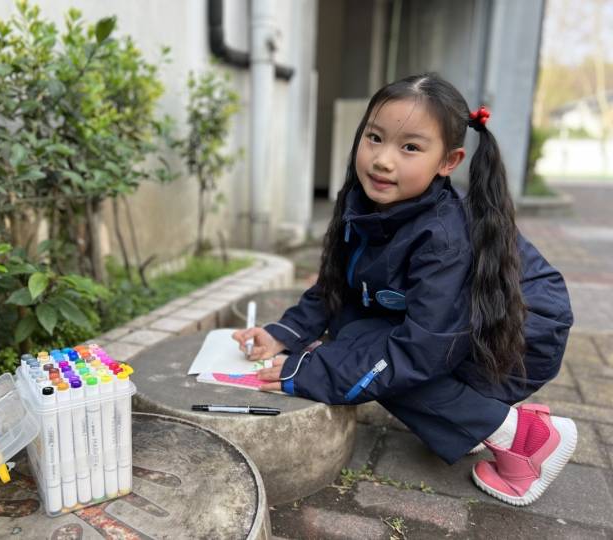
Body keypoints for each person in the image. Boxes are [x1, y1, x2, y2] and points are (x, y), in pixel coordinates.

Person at [232, 72, 576, 507]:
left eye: (410, 147)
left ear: (448, 162)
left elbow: (422, 350)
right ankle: (476, 417)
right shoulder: (371, 203)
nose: (382, 160)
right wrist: (285, 333)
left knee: (377, 355)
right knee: (356, 334)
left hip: (522, 333)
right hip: (464, 322)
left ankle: (527, 438)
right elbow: (337, 284)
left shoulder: (443, 238)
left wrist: (310, 373)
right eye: (375, 138)